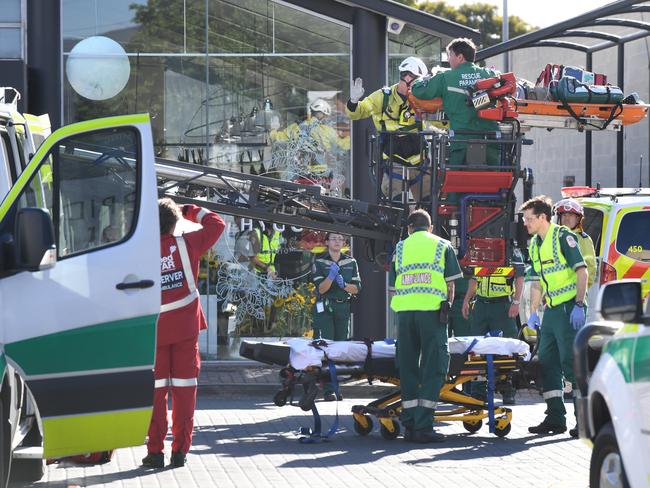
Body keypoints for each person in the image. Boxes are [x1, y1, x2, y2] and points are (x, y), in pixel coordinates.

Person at [142, 199, 225, 469]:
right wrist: (190, 209)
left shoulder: (138, 253)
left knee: (155, 395)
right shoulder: (188, 244)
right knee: (185, 392)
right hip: (185, 329)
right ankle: (180, 452)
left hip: (154, 332)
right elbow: (217, 223)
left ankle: (155, 453)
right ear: (174, 222)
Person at [390, 209, 462, 443]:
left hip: (405, 315)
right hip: (431, 314)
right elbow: (451, 286)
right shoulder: (442, 245)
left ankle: (410, 424)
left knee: (408, 367)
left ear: (409, 229)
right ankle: (423, 425)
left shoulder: (399, 248)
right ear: (430, 227)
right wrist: (447, 307)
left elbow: (392, 289)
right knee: (435, 366)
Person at [520, 196, 588, 438]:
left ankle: (584, 422)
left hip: (570, 310)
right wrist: (534, 314)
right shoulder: (535, 245)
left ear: (542, 218)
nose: (525, 223)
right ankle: (555, 418)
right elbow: (538, 282)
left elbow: (582, 272)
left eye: (529, 219)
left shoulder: (562, 237)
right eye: (524, 219)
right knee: (547, 361)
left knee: (572, 364)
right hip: (551, 311)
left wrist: (579, 304)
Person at [345, 56, 430, 200]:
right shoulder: (383, 97)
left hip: (419, 162)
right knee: (396, 207)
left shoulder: (422, 98)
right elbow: (359, 112)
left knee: (428, 204)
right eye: (418, 80)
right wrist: (353, 102)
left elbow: (439, 122)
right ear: (407, 77)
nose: (420, 85)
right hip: (393, 160)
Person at [410, 38, 500, 167]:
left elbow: (420, 91)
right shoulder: (490, 74)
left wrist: (419, 80)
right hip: (491, 144)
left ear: (460, 57)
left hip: (461, 142)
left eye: (450, 55)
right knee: (493, 183)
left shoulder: (445, 77)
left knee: (457, 182)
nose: (449, 59)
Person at [461, 248, 526, 404]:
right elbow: (474, 278)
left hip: (502, 305)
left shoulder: (511, 250)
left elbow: (519, 277)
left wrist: (516, 302)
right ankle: (478, 391)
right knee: (476, 349)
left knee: (507, 349)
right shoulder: (478, 249)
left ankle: (507, 388)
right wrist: (466, 300)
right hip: (481, 305)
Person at [311, 232, 361, 401]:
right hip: (325, 307)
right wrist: (331, 277)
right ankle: (328, 389)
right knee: (327, 346)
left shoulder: (351, 262)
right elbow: (321, 289)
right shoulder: (319, 262)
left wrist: (345, 285)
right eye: (333, 238)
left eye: (341, 239)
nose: (337, 241)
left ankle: (335, 385)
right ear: (326, 242)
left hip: (343, 307)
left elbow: (357, 288)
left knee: (340, 348)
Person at [270, 99, 339, 176]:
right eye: (325, 115)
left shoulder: (296, 128)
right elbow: (339, 147)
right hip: (323, 173)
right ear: (322, 114)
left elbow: (277, 138)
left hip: (302, 173)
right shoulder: (328, 131)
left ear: (312, 112)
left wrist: (273, 129)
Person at [553, 198, 597, 288]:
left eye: (571, 215)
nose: (567, 218)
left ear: (577, 219)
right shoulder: (554, 237)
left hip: (574, 292)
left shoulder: (584, 239)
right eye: (564, 215)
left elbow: (590, 268)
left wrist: (580, 290)